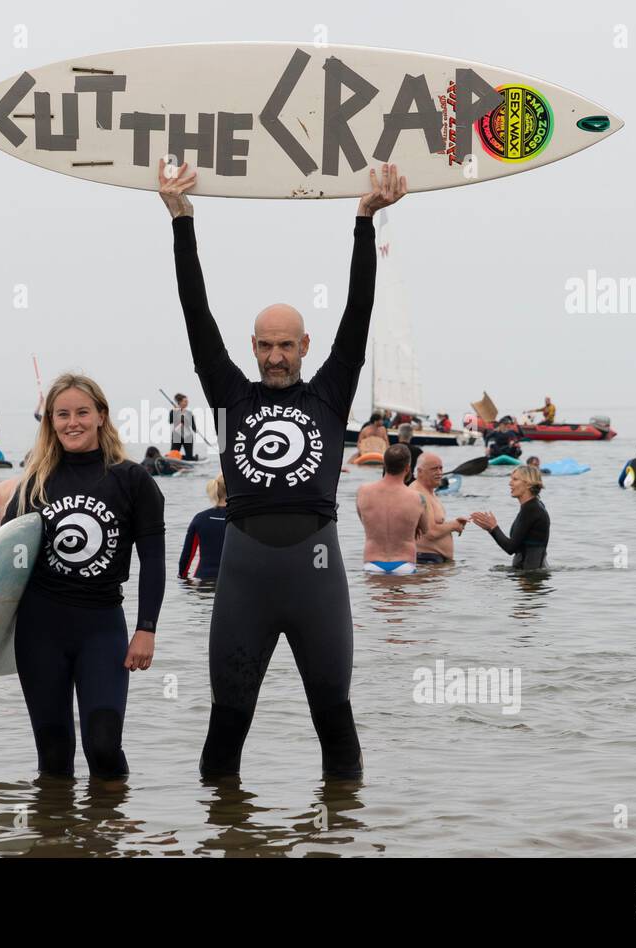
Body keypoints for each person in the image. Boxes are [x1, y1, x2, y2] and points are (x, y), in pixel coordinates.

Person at [161, 156, 406, 780]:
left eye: (286, 344)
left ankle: (341, 836)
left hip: (316, 575)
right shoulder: (229, 397)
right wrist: (181, 218)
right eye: (265, 344)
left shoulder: (328, 396)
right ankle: (228, 839)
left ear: (306, 347)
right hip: (244, 576)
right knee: (226, 730)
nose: (275, 355)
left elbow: (359, 312)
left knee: (336, 724)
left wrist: (363, 220)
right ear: (252, 347)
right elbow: (195, 317)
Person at [1, 374, 165, 779]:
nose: (72, 422)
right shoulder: (33, 485)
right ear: (50, 422)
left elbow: (155, 561)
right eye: (62, 414)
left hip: (101, 627)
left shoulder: (132, 481)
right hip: (39, 632)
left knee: (104, 747)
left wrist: (147, 629)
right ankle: (56, 841)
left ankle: (110, 834)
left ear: (101, 416)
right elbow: (2, 566)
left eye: (82, 412)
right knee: (54, 758)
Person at [356, 445, 431, 575]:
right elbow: (425, 529)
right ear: (408, 468)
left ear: (384, 464)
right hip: (404, 564)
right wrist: (412, 525)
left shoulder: (363, 492)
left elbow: (364, 520)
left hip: (372, 563)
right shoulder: (417, 498)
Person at [471, 466, 550, 570]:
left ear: (528, 484)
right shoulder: (534, 506)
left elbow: (510, 548)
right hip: (531, 571)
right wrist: (491, 529)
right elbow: (517, 546)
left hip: (530, 576)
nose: (510, 483)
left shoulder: (531, 509)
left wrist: (493, 528)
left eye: (515, 479)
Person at [411, 452, 468, 564]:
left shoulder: (429, 491)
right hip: (425, 560)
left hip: (433, 560)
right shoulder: (418, 493)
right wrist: (454, 525)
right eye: (434, 469)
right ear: (419, 471)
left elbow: (435, 524)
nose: (439, 473)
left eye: (441, 468)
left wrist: (454, 523)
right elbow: (430, 532)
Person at [179, 475, 228, 580]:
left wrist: (182, 578)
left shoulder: (200, 518)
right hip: (232, 582)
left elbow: (187, 556)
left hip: (203, 579)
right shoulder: (240, 519)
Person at [168, 393, 199, 460]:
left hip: (187, 436)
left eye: (187, 401)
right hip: (177, 435)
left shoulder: (189, 413)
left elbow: (193, 427)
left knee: (189, 457)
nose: (187, 403)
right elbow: (170, 421)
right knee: (173, 455)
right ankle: (182, 458)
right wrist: (176, 412)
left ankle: (192, 458)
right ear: (179, 402)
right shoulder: (173, 411)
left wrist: (195, 429)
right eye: (185, 401)